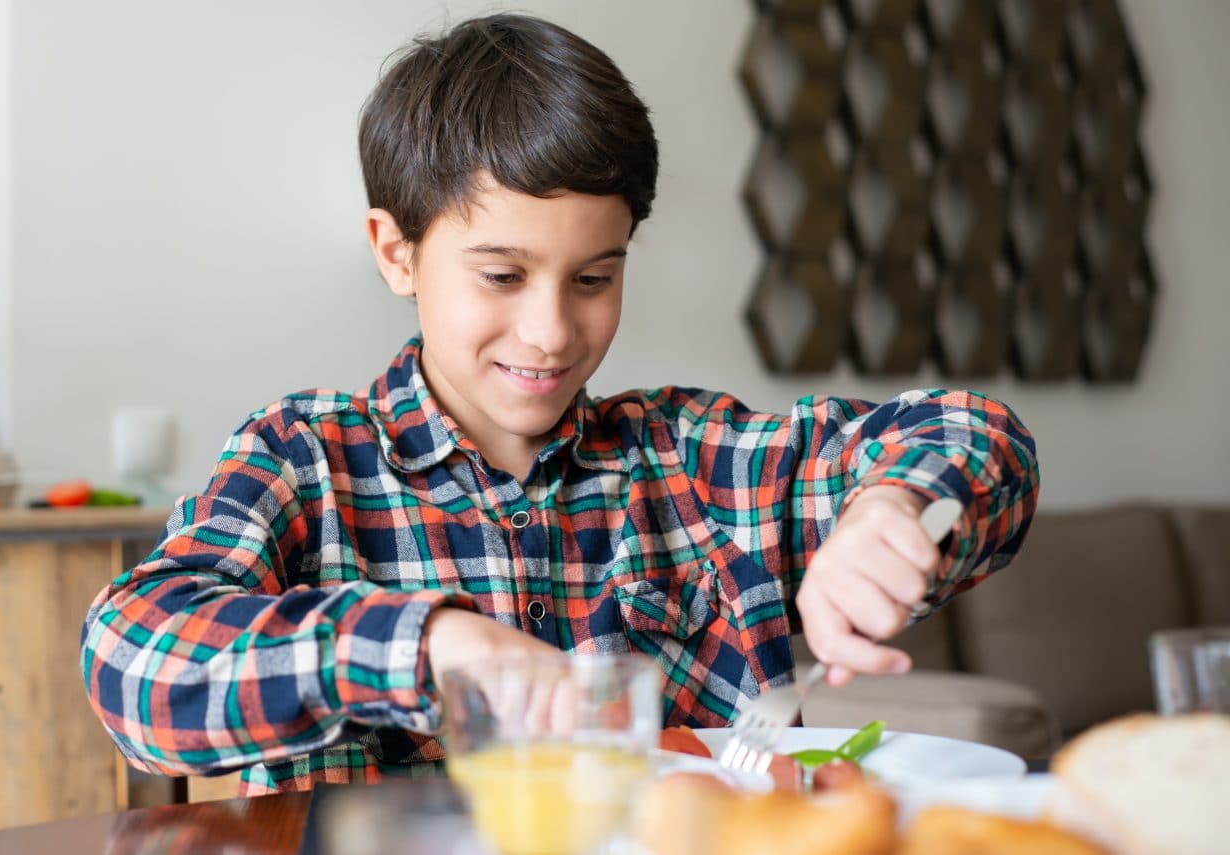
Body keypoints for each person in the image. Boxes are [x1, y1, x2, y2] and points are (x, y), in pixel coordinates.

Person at [81, 13, 1038, 796]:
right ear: (394, 251)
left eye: (593, 277)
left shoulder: (695, 459)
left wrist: (890, 507)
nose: (551, 331)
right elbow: (131, 659)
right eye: (502, 274)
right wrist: (424, 645)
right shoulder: (306, 459)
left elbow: (973, 434)